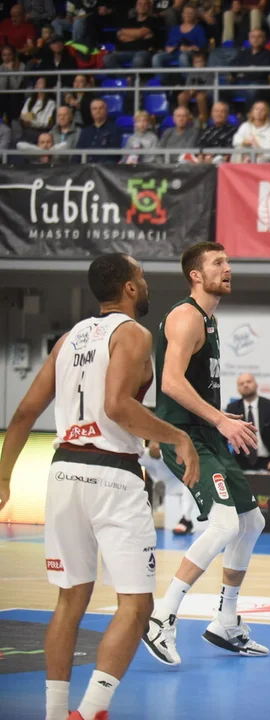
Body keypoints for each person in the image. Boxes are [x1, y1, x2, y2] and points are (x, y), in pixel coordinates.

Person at [0, 253, 199, 720]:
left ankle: (54, 712)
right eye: (143, 278)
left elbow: (25, 413)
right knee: (136, 604)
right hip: (110, 473)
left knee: (70, 599)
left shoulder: (69, 339)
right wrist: (177, 436)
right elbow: (116, 407)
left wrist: (4, 476)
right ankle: (90, 711)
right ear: (130, 288)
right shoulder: (134, 333)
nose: (146, 285)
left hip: (63, 472)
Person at [141, 242, 269, 666]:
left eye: (228, 261)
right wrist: (221, 420)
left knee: (252, 521)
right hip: (185, 437)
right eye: (218, 263)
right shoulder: (185, 316)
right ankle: (161, 618)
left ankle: (225, 621)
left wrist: (220, 418)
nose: (228, 268)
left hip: (206, 435)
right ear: (196, 274)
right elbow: (172, 384)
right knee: (225, 522)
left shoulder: (210, 320)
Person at [225, 374, 270, 472]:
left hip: (269, 461)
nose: (245, 385)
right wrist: (226, 461)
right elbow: (221, 438)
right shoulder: (232, 408)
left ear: (256, 384)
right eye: (241, 384)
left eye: (248, 381)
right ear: (238, 389)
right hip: (240, 462)